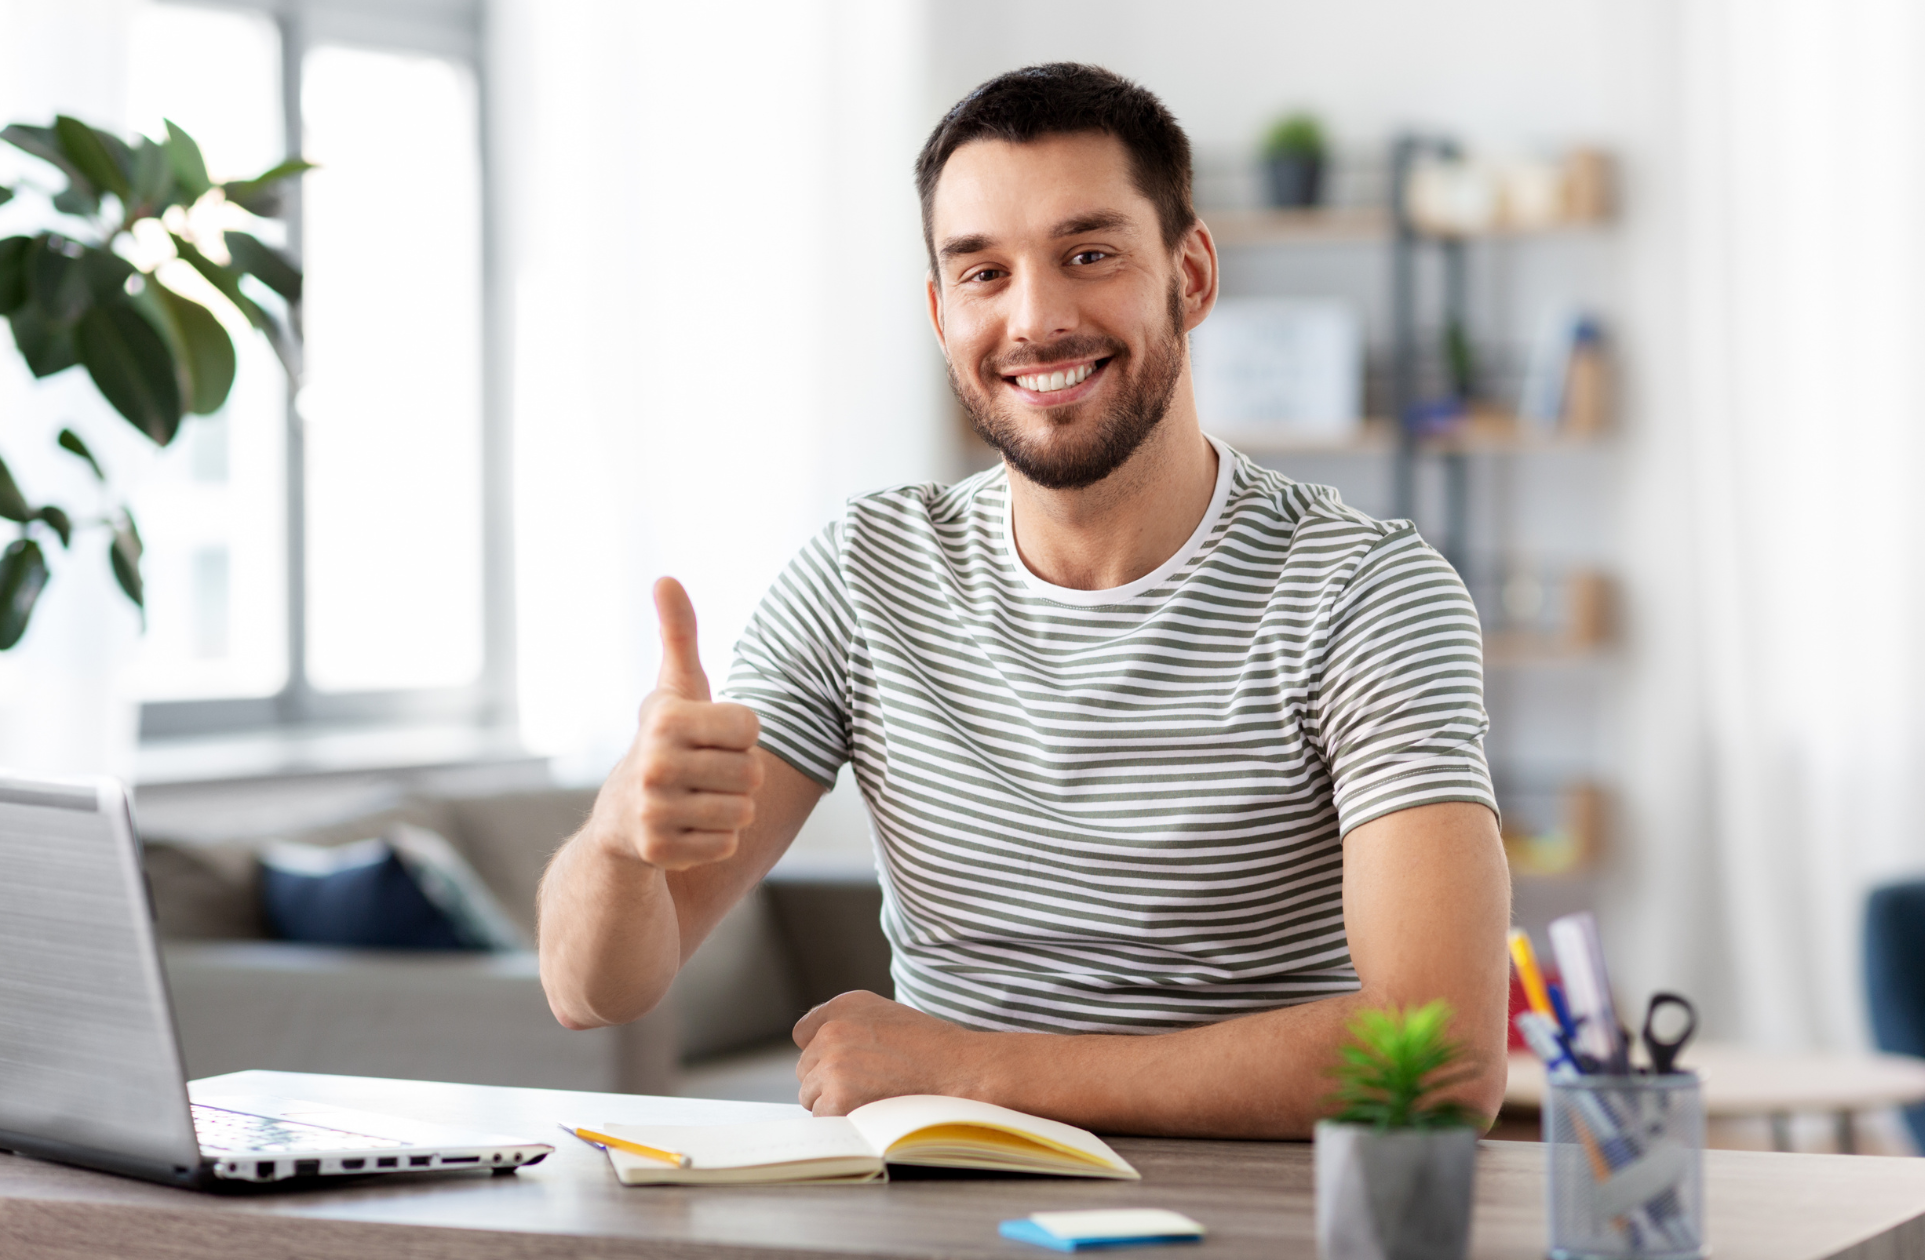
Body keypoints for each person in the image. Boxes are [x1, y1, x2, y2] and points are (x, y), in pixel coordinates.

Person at [537, 62, 1509, 1139]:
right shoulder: (863, 577)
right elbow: (592, 993)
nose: (1036, 319)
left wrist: (975, 1070)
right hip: (933, 1215)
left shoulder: (1364, 592)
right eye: (983, 273)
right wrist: (618, 839)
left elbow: (1441, 1062)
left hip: (1258, 1221)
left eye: (1086, 255)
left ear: (1189, 275)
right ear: (939, 310)